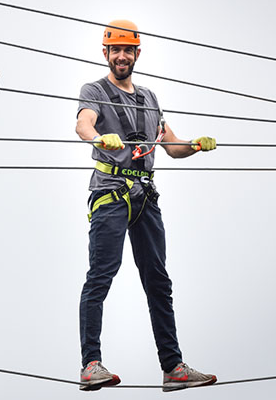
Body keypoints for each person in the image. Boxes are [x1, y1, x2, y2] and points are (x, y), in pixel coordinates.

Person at [76, 20, 217, 392]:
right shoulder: (95, 90)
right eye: (115, 50)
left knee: (158, 280)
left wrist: (195, 145)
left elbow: (171, 146)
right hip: (111, 193)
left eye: (128, 50)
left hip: (145, 197)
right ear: (105, 53)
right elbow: (83, 125)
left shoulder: (149, 98)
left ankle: (173, 368)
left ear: (137, 54)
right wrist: (99, 138)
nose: (121, 56)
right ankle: (90, 363)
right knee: (101, 274)